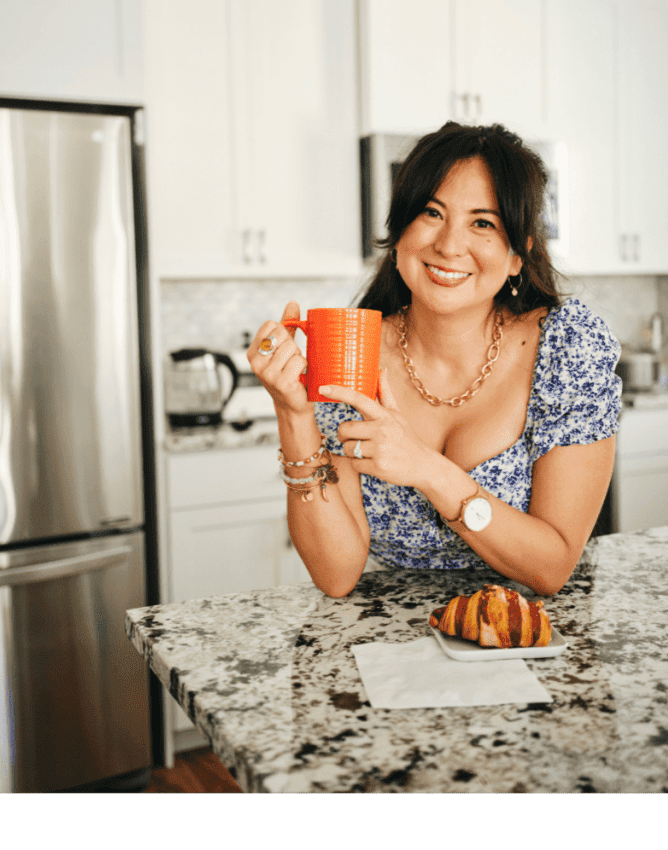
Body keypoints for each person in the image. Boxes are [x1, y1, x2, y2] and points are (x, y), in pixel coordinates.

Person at [247, 122, 622, 599]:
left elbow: (551, 567)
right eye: (431, 212)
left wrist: (427, 469)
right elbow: (336, 575)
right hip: (391, 649)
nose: (448, 245)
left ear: (517, 256)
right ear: (399, 232)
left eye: (483, 223)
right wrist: (293, 414)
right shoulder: (353, 348)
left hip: (529, 633)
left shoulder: (567, 348)